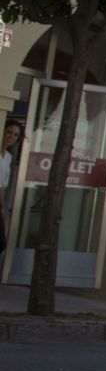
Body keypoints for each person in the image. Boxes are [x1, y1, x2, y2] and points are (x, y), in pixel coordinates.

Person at [0, 117, 21, 273]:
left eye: (15, 135)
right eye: (9, 132)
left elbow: (2, 185)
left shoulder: (8, 157)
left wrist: (1, 207)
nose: (11, 137)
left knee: (1, 242)